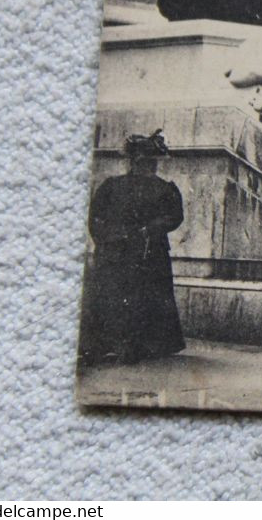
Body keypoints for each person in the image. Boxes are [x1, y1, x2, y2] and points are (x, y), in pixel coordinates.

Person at [79, 131, 185, 366]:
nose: (152, 166)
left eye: (152, 162)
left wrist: (146, 230)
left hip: (136, 252)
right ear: (138, 161)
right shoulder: (119, 186)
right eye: (148, 161)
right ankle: (119, 346)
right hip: (129, 252)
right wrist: (113, 239)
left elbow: (174, 216)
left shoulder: (157, 188)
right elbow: (96, 218)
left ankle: (128, 345)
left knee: (134, 297)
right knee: (125, 296)